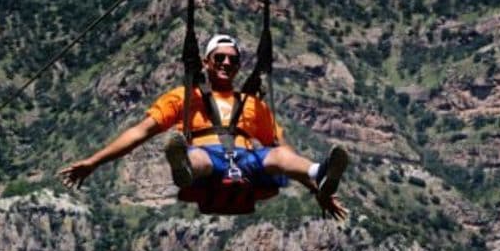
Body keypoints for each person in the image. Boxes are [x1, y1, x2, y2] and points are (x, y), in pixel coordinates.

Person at [59, 34, 348, 219]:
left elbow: (286, 154)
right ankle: (183, 168)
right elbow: (139, 132)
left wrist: (317, 193)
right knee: (197, 157)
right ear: (206, 62)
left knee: (280, 156)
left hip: (248, 161)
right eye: (219, 58)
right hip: (209, 159)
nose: (225, 63)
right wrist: (93, 162)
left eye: (232, 60)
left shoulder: (253, 104)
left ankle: (320, 172)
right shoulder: (184, 98)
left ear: (238, 66)